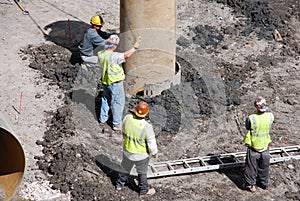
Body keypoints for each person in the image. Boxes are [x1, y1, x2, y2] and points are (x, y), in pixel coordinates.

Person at [98, 34, 142, 131]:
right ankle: (116, 124)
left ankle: (102, 118)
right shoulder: (114, 56)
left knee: (105, 99)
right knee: (117, 103)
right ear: (114, 46)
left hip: (105, 82)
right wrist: (135, 47)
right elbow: (126, 55)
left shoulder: (101, 54)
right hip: (116, 83)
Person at [115, 101, 158, 196]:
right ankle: (144, 190)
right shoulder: (147, 127)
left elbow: (123, 131)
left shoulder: (127, 118)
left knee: (125, 168)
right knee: (142, 173)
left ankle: (119, 184)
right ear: (146, 113)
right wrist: (154, 153)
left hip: (127, 150)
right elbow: (152, 144)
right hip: (141, 155)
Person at [243, 97, 274, 192]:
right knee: (264, 166)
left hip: (254, 146)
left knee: (251, 167)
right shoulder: (270, 116)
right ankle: (264, 184)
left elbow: (248, 127)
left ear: (256, 107)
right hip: (265, 145)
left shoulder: (251, 118)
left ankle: (250, 185)